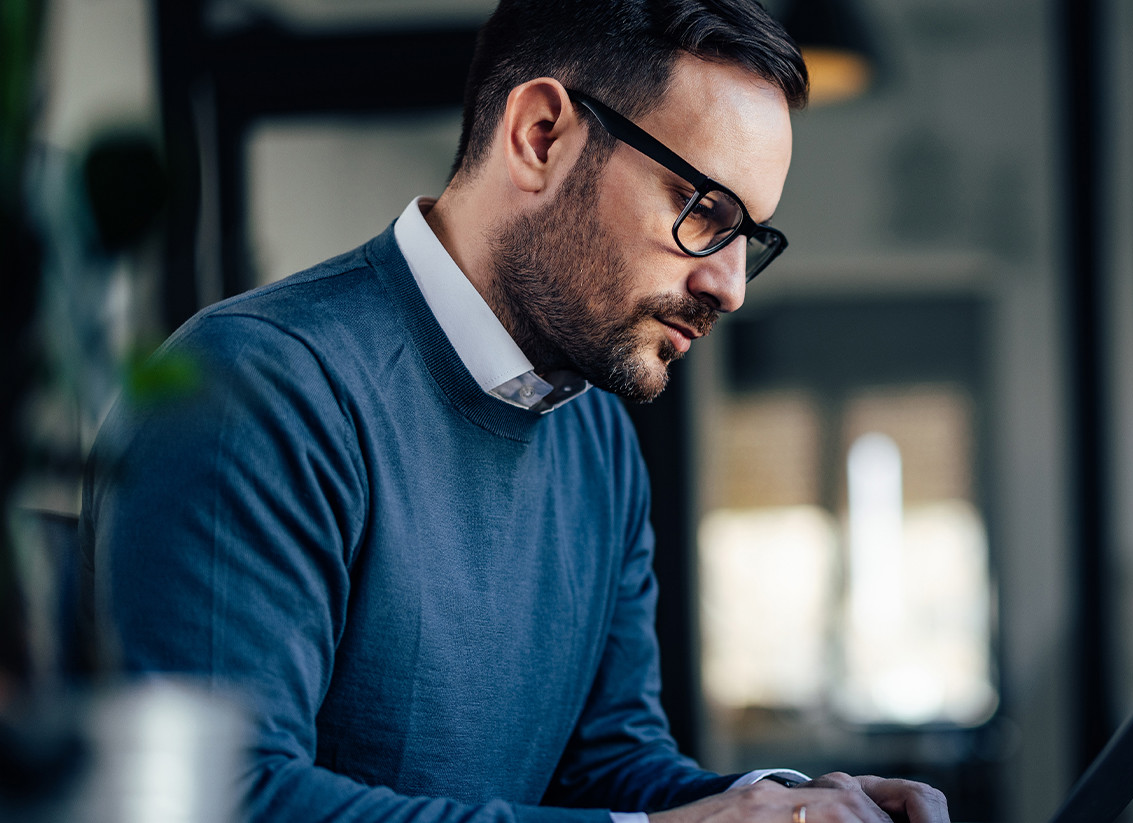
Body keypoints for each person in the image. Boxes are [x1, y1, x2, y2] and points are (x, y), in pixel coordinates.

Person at [83, 1, 948, 821]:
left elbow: (604, 766)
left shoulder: (598, 436)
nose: (726, 284)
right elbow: (223, 798)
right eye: (702, 210)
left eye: (748, 239)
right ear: (541, 137)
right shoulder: (254, 388)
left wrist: (792, 802)